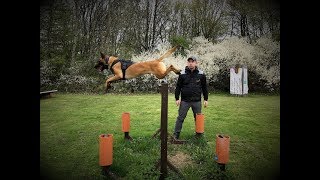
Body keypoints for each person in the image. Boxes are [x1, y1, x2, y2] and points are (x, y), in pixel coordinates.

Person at [173, 56, 208, 139]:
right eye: (189, 62)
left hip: (197, 101)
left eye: (192, 61)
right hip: (185, 101)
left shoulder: (201, 74)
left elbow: (204, 87)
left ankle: (199, 136)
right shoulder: (182, 74)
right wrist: (177, 98)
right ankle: (176, 135)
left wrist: (206, 99)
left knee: (198, 119)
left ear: (196, 63)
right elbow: (178, 87)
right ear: (187, 63)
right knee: (180, 118)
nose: (191, 63)